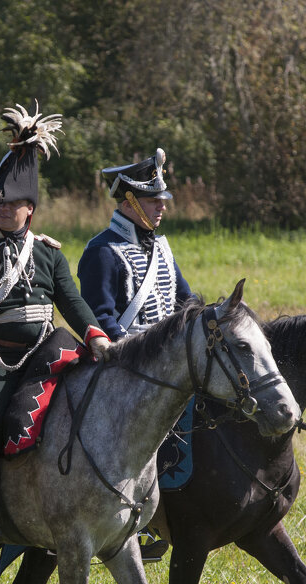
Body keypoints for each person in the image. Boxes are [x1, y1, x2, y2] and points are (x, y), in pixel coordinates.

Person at [0, 104, 111, 550]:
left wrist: (95, 334)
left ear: (30, 209)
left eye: (13, 204)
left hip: (44, 353)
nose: (4, 209)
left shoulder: (48, 254)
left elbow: (70, 299)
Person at [77, 147, 192, 560]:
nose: (161, 206)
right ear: (128, 202)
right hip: (122, 366)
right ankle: (138, 518)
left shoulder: (162, 248)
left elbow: (184, 299)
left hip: (168, 364)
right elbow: (100, 319)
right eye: (152, 199)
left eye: (162, 199)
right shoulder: (102, 252)